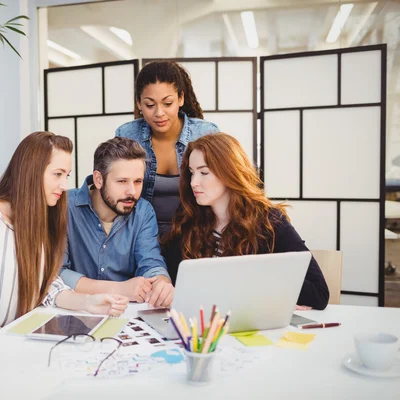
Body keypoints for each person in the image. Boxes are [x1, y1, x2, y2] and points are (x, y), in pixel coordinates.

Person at [0, 132, 128, 358]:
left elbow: (47, 286)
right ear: (32, 172)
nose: (64, 185)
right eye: (57, 174)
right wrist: (11, 352)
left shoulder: (35, 220)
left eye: (67, 175)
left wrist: (87, 303)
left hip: (7, 345)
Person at [162, 133, 330, 310]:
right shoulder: (189, 218)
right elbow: (173, 280)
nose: (194, 182)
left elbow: (319, 294)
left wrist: (272, 290)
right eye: (191, 173)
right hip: (199, 326)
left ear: (229, 172)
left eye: (204, 172)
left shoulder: (269, 221)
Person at [59, 137, 174, 308]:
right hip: (75, 311)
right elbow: (57, 273)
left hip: (124, 313)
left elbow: (150, 262)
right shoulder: (65, 207)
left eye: (138, 181)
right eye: (122, 181)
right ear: (99, 180)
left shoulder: (143, 211)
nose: (132, 192)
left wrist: (161, 284)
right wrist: (119, 288)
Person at [116, 60, 220, 236]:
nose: (159, 113)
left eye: (167, 103)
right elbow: (115, 187)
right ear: (139, 104)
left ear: (181, 98)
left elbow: (225, 185)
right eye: (150, 105)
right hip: (140, 234)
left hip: (196, 232)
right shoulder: (127, 134)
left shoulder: (206, 133)